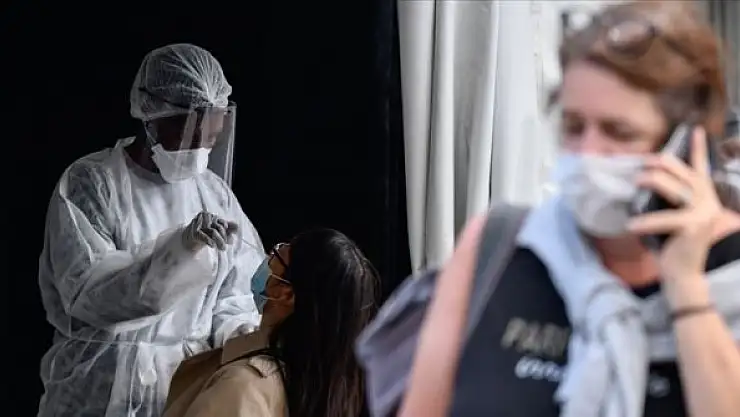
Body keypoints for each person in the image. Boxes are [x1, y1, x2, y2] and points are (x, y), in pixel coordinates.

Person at [394, 2, 740, 417]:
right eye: (574, 127)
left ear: (685, 144)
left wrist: (686, 287)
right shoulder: (499, 247)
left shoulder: (729, 271)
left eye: (618, 132)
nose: (588, 152)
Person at [37, 43, 264, 417]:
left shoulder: (214, 194)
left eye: (208, 139)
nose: (198, 151)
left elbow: (235, 293)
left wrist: (240, 334)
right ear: (151, 116)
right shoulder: (92, 183)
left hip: (185, 389)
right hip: (97, 390)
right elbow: (91, 296)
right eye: (186, 133)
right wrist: (180, 251)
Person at [163, 229, 381, 417]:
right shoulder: (336, 390)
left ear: (286, 294)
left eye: (278, 253)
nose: (268, 258)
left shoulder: (243, 386)